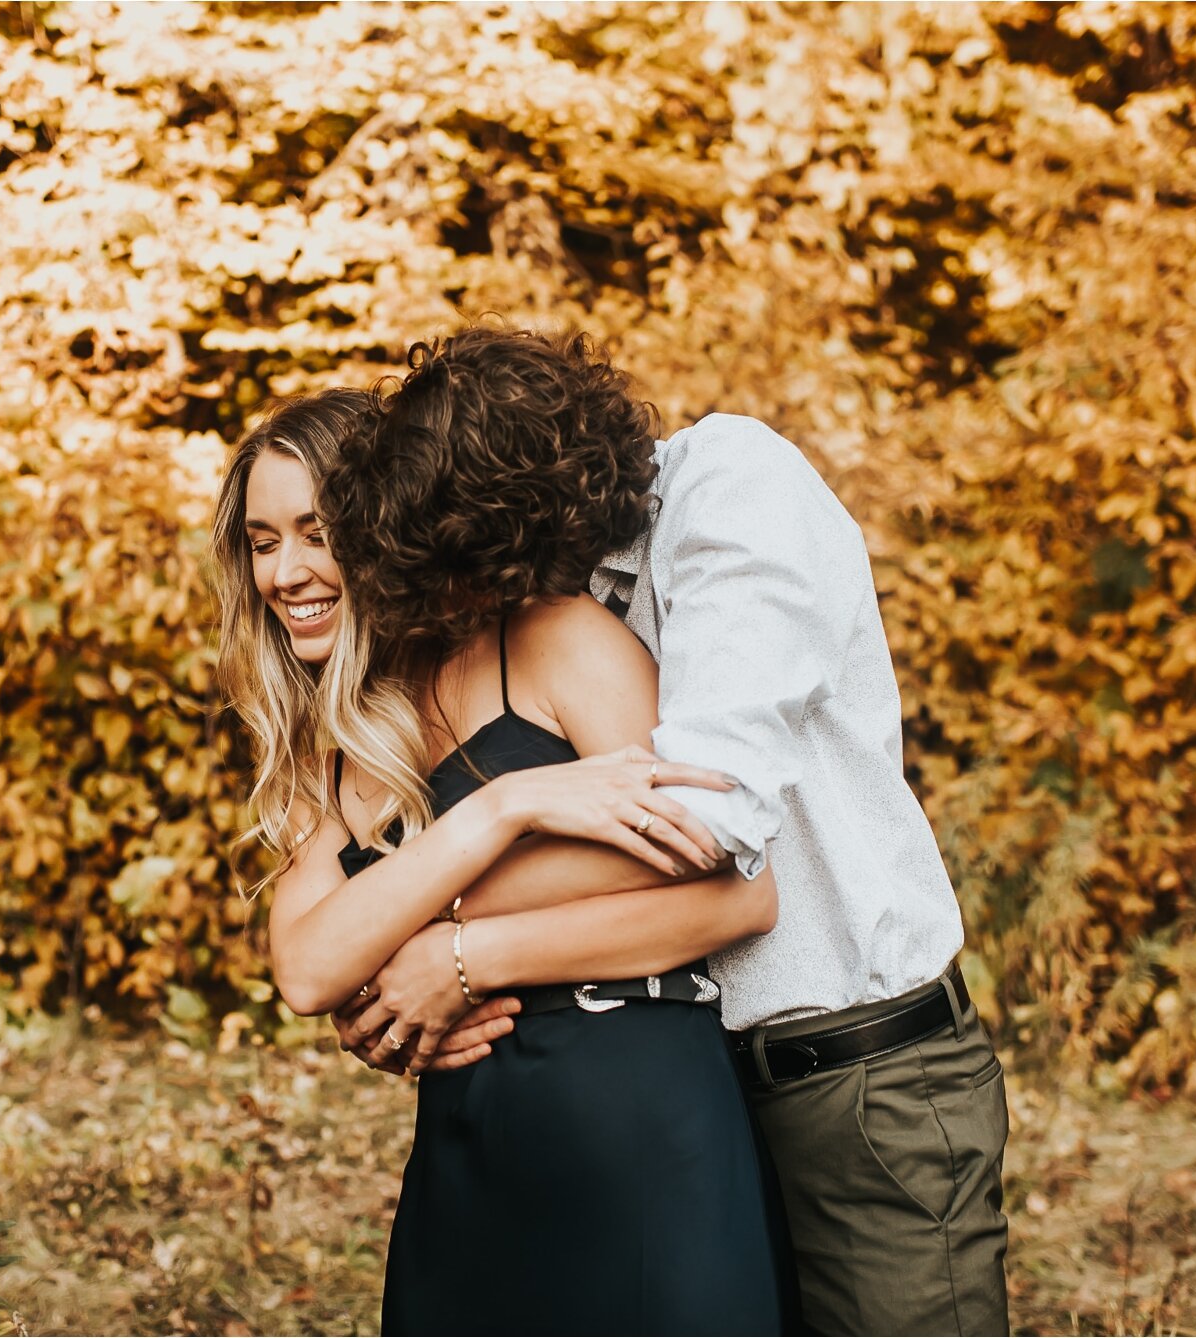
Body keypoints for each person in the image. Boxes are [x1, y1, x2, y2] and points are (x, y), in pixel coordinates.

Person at [320, 327, 1012, 1337]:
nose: (462, 604)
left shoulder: (735, 494)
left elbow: (701, 820)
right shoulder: (575, 593)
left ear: (513, 515)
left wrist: (423, 928)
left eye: (464, 568)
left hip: (860, 1084)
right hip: (706, 1081)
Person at [211, 388, 787, 1334]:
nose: (289, 571)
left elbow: (737, 900)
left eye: (317, 531)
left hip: (640, 1135)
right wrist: (505, 808)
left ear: (386, 522)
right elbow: (310, 968)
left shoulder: (551, 640)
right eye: (263, 541)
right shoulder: (333, 742)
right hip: (468, 1148)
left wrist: (457, 953)